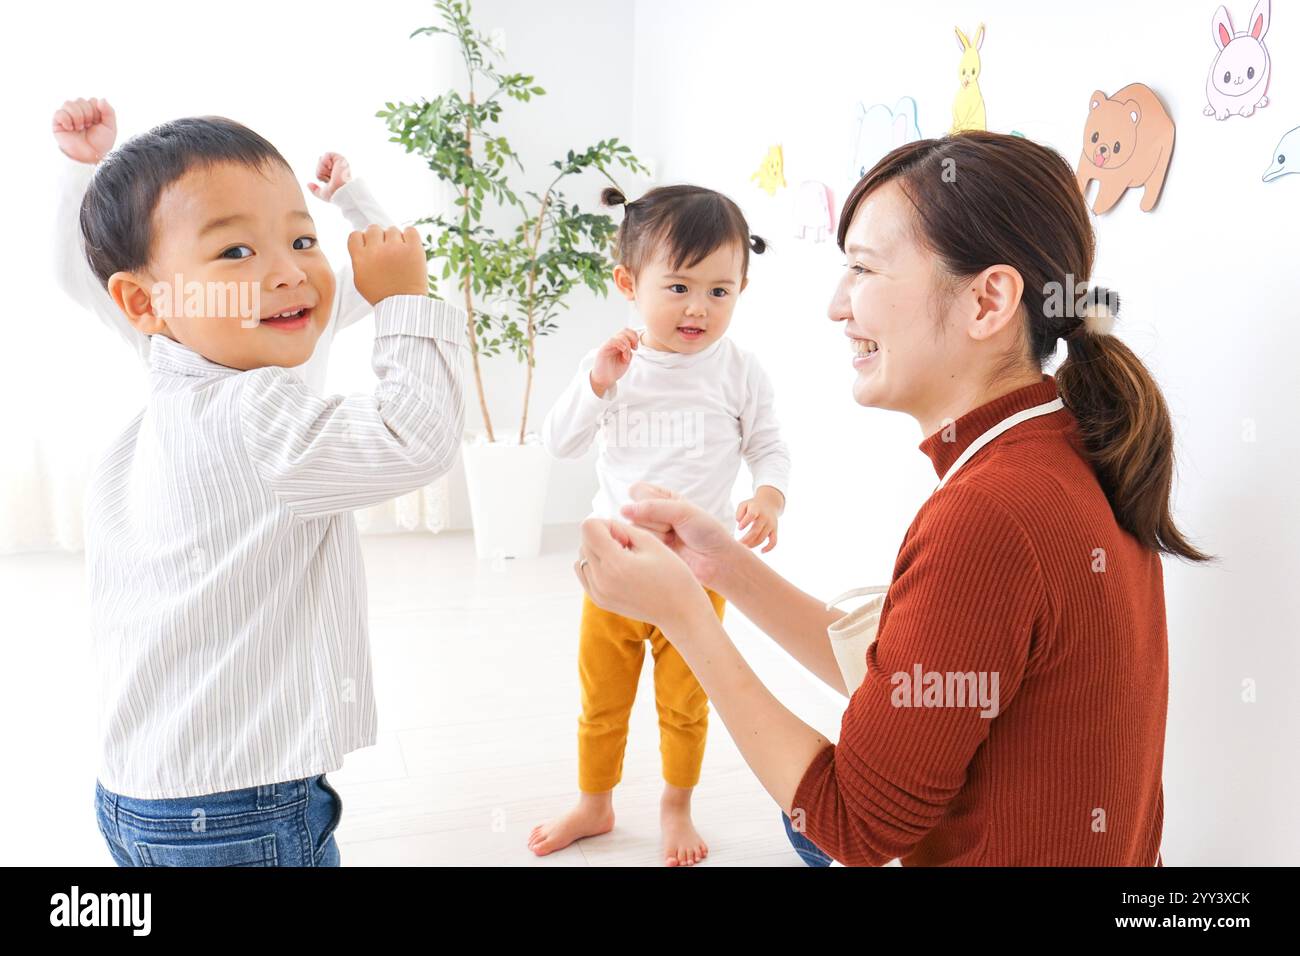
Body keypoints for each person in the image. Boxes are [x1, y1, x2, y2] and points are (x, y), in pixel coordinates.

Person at [573, 131, 1212, 866]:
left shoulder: (990, 513)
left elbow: (853, 825)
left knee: (803, 826)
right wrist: (719, 566)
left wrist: (683, 617)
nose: (836, 306)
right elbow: (924, 684)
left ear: (989, 300)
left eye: (863, 269)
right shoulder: (1072, 445)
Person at [75, 114, 467, 866]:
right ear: (143, 303)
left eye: (302, 239)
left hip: (140, 792)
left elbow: (362, 271)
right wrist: (402, 303)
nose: (289, 270)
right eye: (235, 250)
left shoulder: (167, 408)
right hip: (238, 805)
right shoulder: (254, 414)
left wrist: (358, 214)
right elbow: (415, 439)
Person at [530, 185, 791, 866]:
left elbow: (769, 445)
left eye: (719, 291)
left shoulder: (739, 372)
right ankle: (595, 802)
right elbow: (557, 443)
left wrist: (769, 496)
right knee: (602, 699)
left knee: (685, 704)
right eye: (677, 287)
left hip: (696, 576)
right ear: (628, 283)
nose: (698, 308)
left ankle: (676, 805)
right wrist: (596, 381)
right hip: (614, 573)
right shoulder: (616, 364)